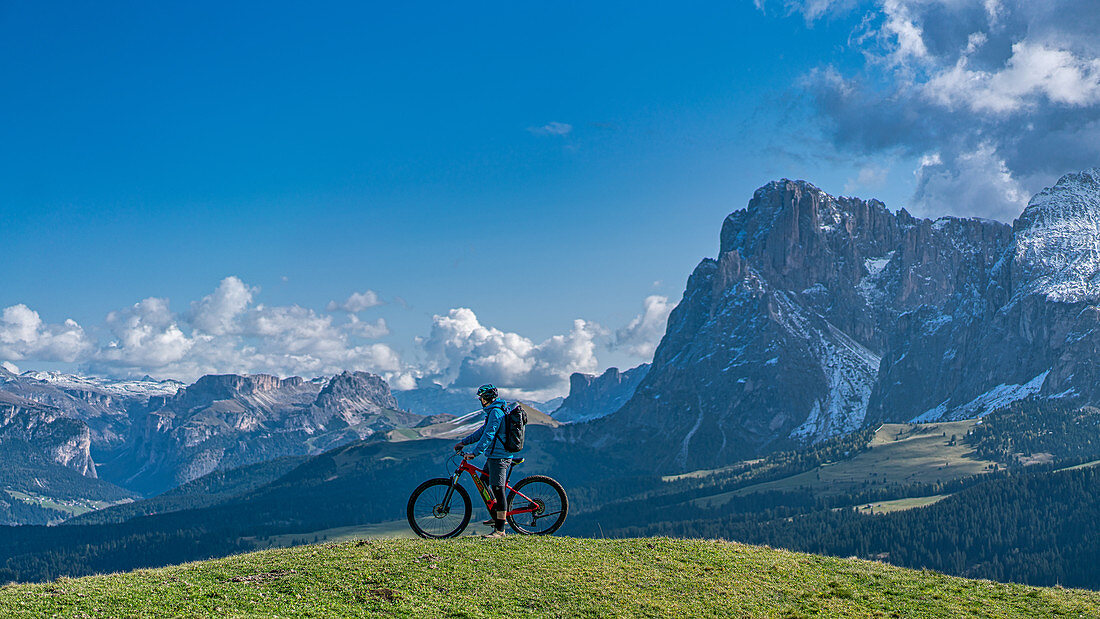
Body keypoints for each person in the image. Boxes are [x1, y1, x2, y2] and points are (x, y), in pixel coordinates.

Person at [454, 383, 514, 539]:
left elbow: (489, 435)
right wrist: (464, 442)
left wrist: (474, 453)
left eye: (481, 397)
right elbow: (482, 432)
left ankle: (500, 529)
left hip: (500, 457)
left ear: (487, 398)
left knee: (498, 489)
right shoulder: (493, 412)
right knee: (483, 481)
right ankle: (496, 515)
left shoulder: (496, 412)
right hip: (493, 456)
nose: (480, 400)